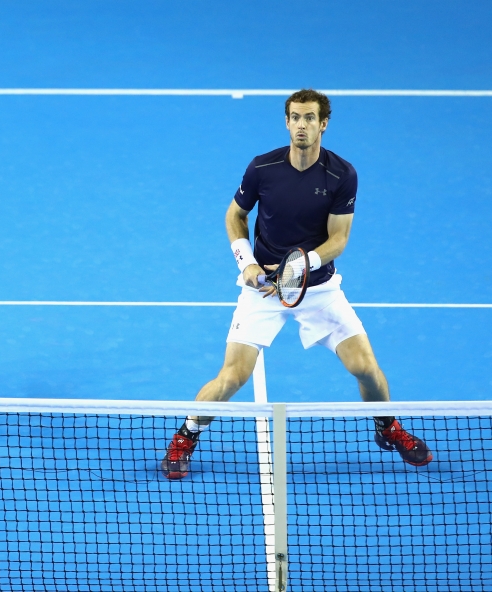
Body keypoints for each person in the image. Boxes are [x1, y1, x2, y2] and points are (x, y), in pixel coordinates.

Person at [160, 89, 432, 480]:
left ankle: (387, 426)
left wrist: (300, 268)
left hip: (319, 289)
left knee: (367, 369)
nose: (301, 125)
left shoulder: (342, 174)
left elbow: (338, 239)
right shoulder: (262, 168)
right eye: (295, 117)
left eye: (309, 118)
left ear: (324, 124)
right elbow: (235, 216)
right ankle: (186, 435)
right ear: (286, 122)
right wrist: (247, 264)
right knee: (231, 377)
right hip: (263, 289)